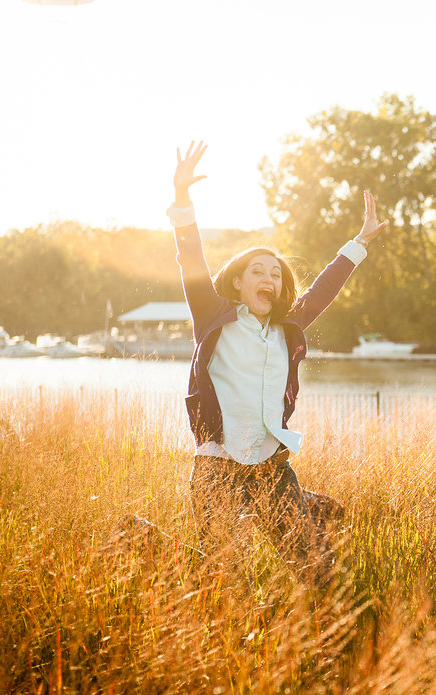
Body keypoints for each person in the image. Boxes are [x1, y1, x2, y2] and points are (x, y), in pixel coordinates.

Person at [168, 140, 387, 568]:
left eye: (275, 274)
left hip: (271, 466)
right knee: (221, 575)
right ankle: (138, 535)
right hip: (218, 467)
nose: (269, 277)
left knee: (314, 571)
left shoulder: (287, 326)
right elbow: (189, 255)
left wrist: (359, 241)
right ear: (237, 283)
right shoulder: (213, 315)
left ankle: (304, 504)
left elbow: (323, 288)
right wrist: (181, 198)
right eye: (258, 272)